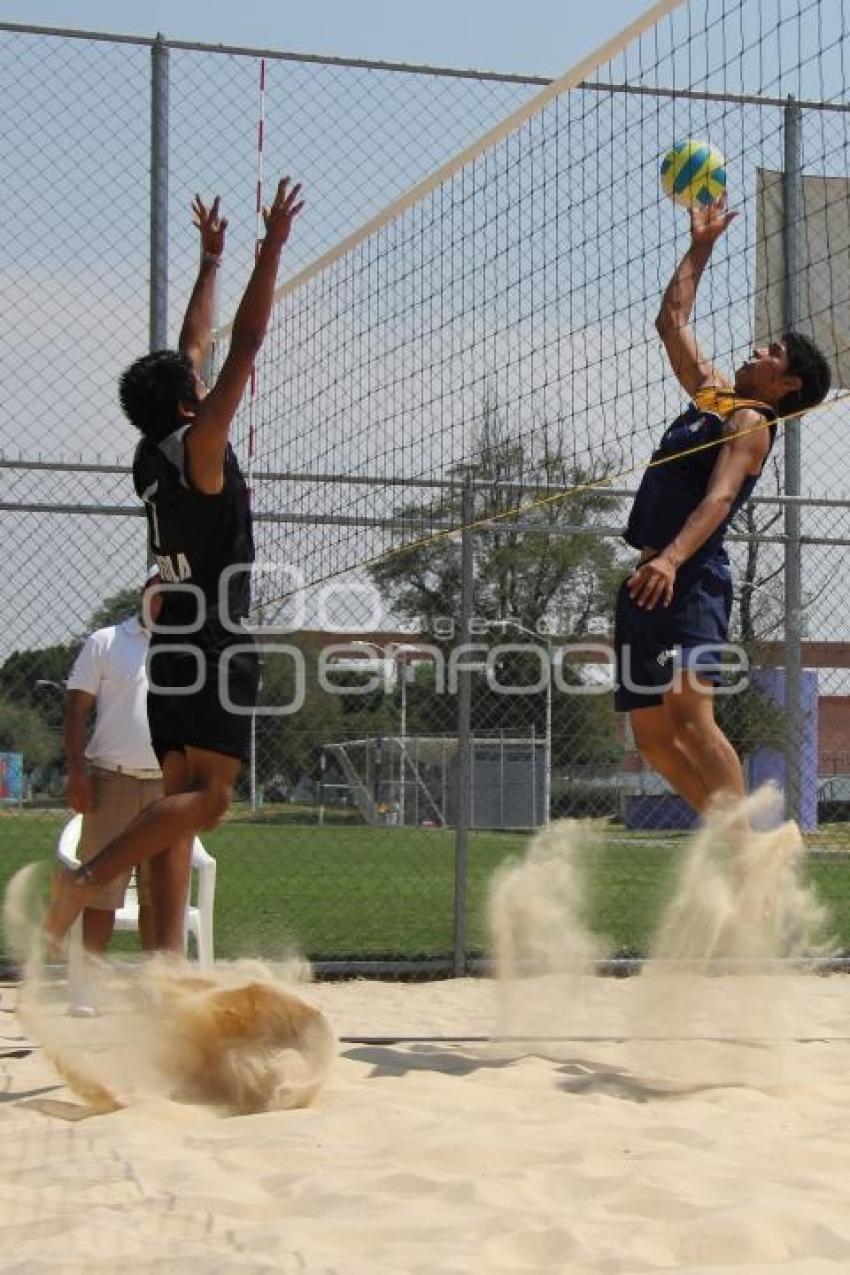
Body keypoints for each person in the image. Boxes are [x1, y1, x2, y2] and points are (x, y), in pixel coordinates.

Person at [45, 175, 304, 948]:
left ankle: (163, 981)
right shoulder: (199, 448)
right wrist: (271, 251)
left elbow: (195, 348)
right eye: (197, 384)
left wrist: (210, 260)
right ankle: (86, 880)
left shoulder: (149, 454)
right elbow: (243, 345)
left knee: (179, 811)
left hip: (174, 641)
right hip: (216, 638)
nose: (202, 374)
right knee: (212, 800)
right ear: (190, 404)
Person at [615, 194, 830, 813]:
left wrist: (673, 561)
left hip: (692, 577)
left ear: (786, 384)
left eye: (774, 354)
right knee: (654, 737)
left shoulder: (753, 421)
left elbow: (722, 496)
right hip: (648, 578)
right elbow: (672, 321)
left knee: (690, 714)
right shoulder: (713, 396)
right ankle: (729, 836)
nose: (759, 350)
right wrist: (702, 245)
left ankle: (747, 855)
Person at [64, 567, 163, 955]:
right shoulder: (106, 642)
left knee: (160, 895)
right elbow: (76, 712)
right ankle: (89, 983)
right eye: (159, 591)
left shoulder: (189, 650)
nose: (165, 601)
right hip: (111, 781)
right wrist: (76, 774)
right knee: (101, 891)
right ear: (143, 593)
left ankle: (159, 986)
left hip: (166, 786)